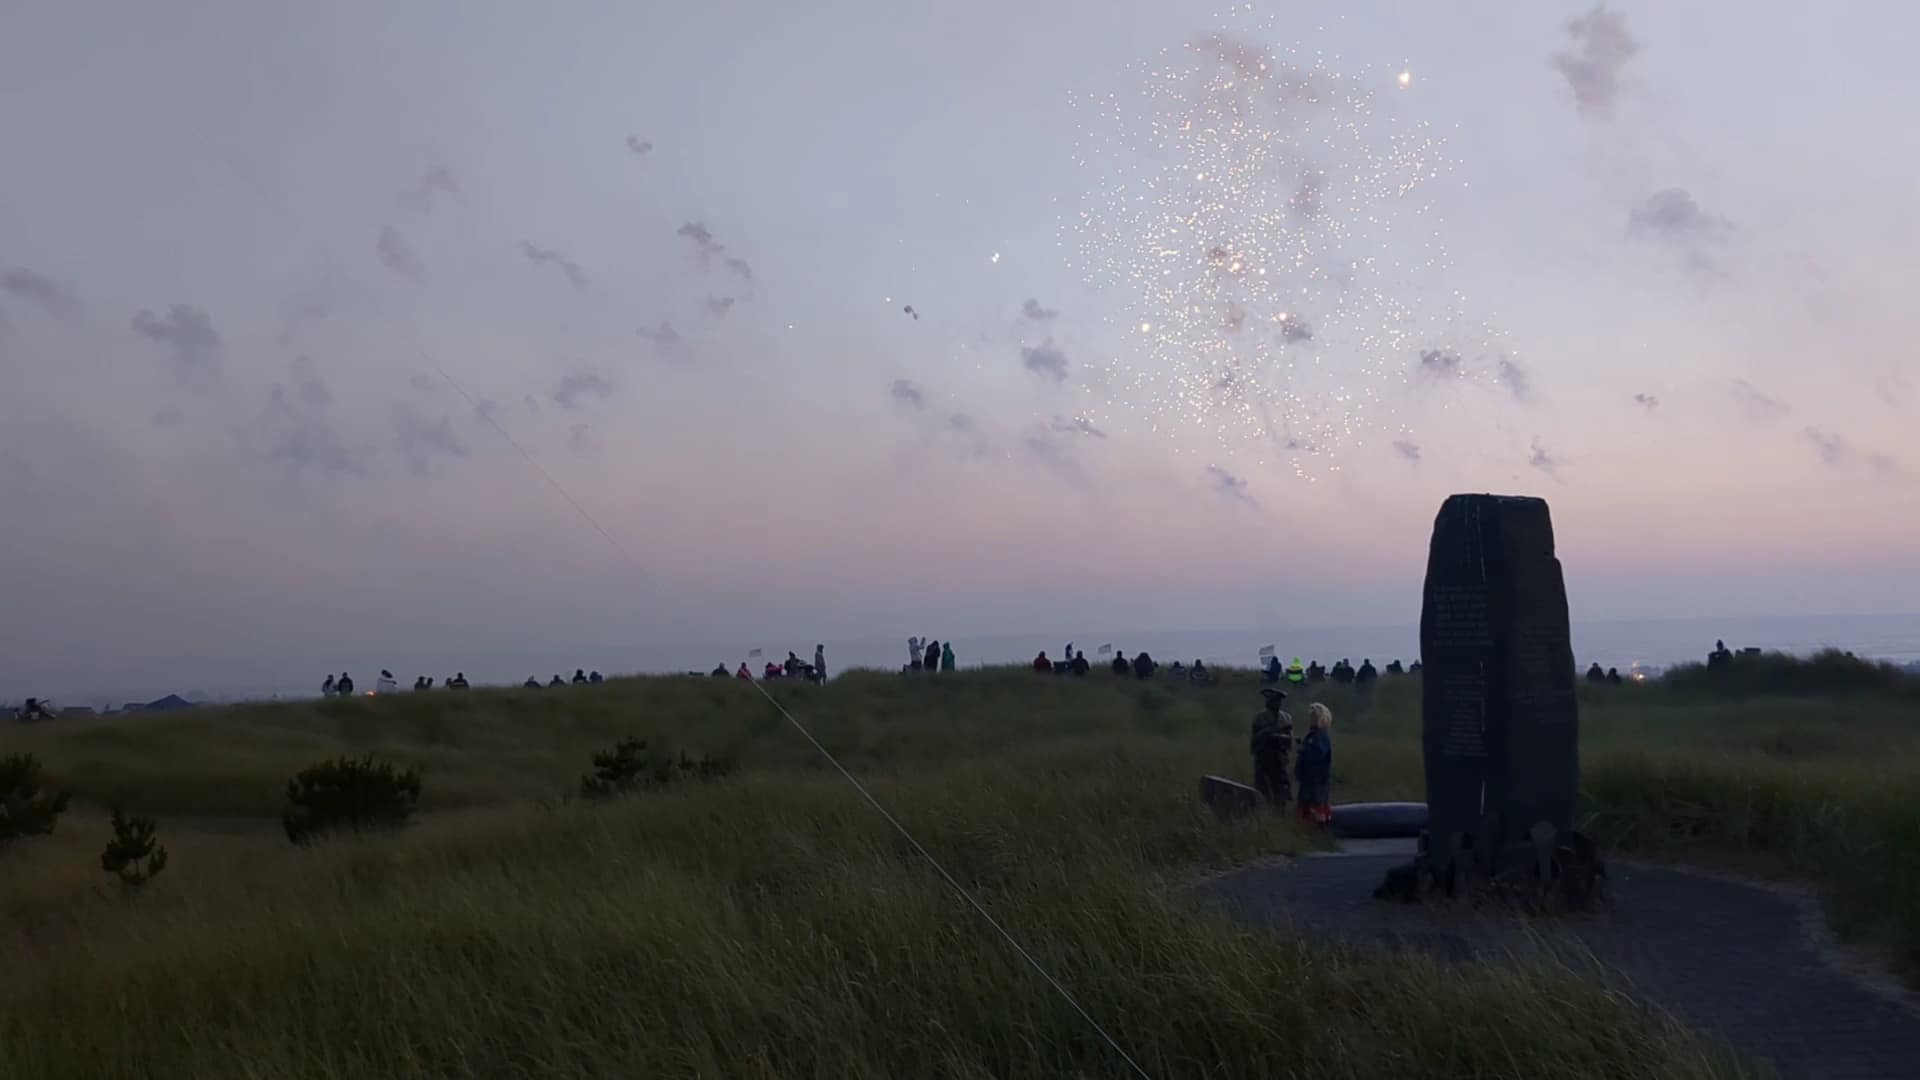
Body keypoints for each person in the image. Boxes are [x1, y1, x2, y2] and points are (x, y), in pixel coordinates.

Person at [1249, 688, 1294, 806]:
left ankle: (1280, 811)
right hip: (1263, 757)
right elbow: (1254, 741)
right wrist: (1267, 734)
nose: (1277, 703)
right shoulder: (1259, 718)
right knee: (1262, 787)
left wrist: (1282, 738)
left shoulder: (1286, 717)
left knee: (1281, 788)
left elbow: (1290, 739)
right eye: (1274, 701)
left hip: (1280, 758)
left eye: (1278, 701)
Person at [1295, 703, 1334, 826]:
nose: (1310, 719)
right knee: (1305, 805)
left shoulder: (1321, 735)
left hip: (1317, 779)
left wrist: (1303, 749)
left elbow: (1318, 754)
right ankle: (1307, 829)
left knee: (1317, 805)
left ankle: (1319, 829)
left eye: (1313, 717)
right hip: (1309, 778)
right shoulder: (1312, 735)